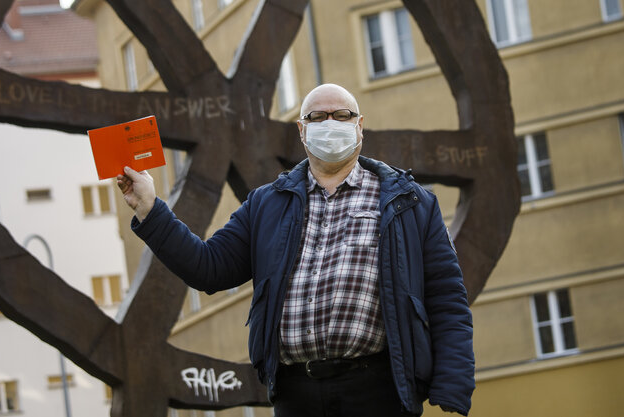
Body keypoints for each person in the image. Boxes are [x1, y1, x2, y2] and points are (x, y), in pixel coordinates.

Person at [117, 84, 474, 416]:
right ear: (302, 131)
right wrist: (149, 208)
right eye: (317, 118)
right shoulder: (266, 204)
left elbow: (447, 298)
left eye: (341, 115)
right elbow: (207, 268)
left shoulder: (410, 203)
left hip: (378, 389)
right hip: (295, 393)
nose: (330, 124)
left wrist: (451, 384)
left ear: (360, 125)